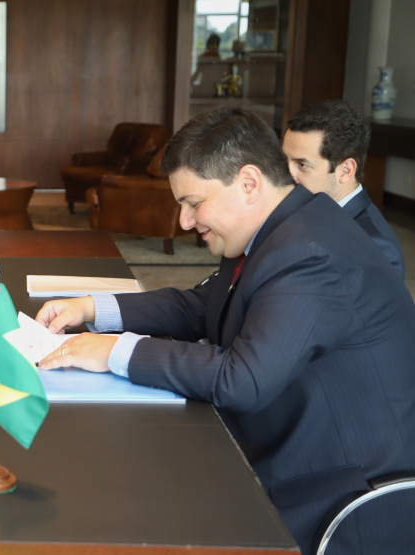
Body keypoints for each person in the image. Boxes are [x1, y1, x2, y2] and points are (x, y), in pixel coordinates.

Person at [36, 106, 415, 554]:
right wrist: (92, 308)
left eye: (194, 203)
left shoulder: (311, 253)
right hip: (284, 445)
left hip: (334, 490)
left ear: (249, 183)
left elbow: (244, 379)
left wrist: (113, 351)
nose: (184, 222)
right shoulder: (278, 227)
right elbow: (203, 305)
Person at [283, 99, 404, 277]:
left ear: (345, 170)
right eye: (284, 160)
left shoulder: (376, 247)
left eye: (302, 164)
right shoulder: (302, 206)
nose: (286, 174)